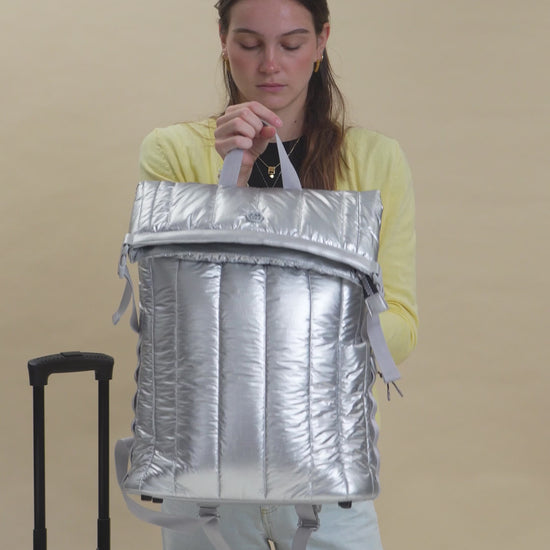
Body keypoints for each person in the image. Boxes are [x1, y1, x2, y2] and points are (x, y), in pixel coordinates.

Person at [138, 0, 418, 548]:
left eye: (291, 44)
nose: (270, 64)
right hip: (204, 477)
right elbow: (171, 323)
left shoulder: (375, 162)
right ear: (223, 40)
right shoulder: (172, 153)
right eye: (249, 43)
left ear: (321, 42)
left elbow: (401, 330)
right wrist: (230, 187)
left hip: (328, 474)